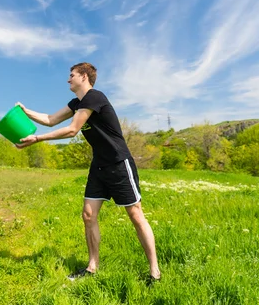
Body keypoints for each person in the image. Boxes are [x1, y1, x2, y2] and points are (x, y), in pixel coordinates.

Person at [15, 62, 161, 283]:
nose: (68, 79)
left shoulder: (94, 97)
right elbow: (50, 119)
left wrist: (37, 139)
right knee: (88, 215)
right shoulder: (77, 103)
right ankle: (92, 268)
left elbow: (72, 129)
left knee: (136, 215)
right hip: (99, 166)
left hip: (119, 163)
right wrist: (26, 112)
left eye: (71, 75)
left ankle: (154, 273)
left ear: (84, 76)